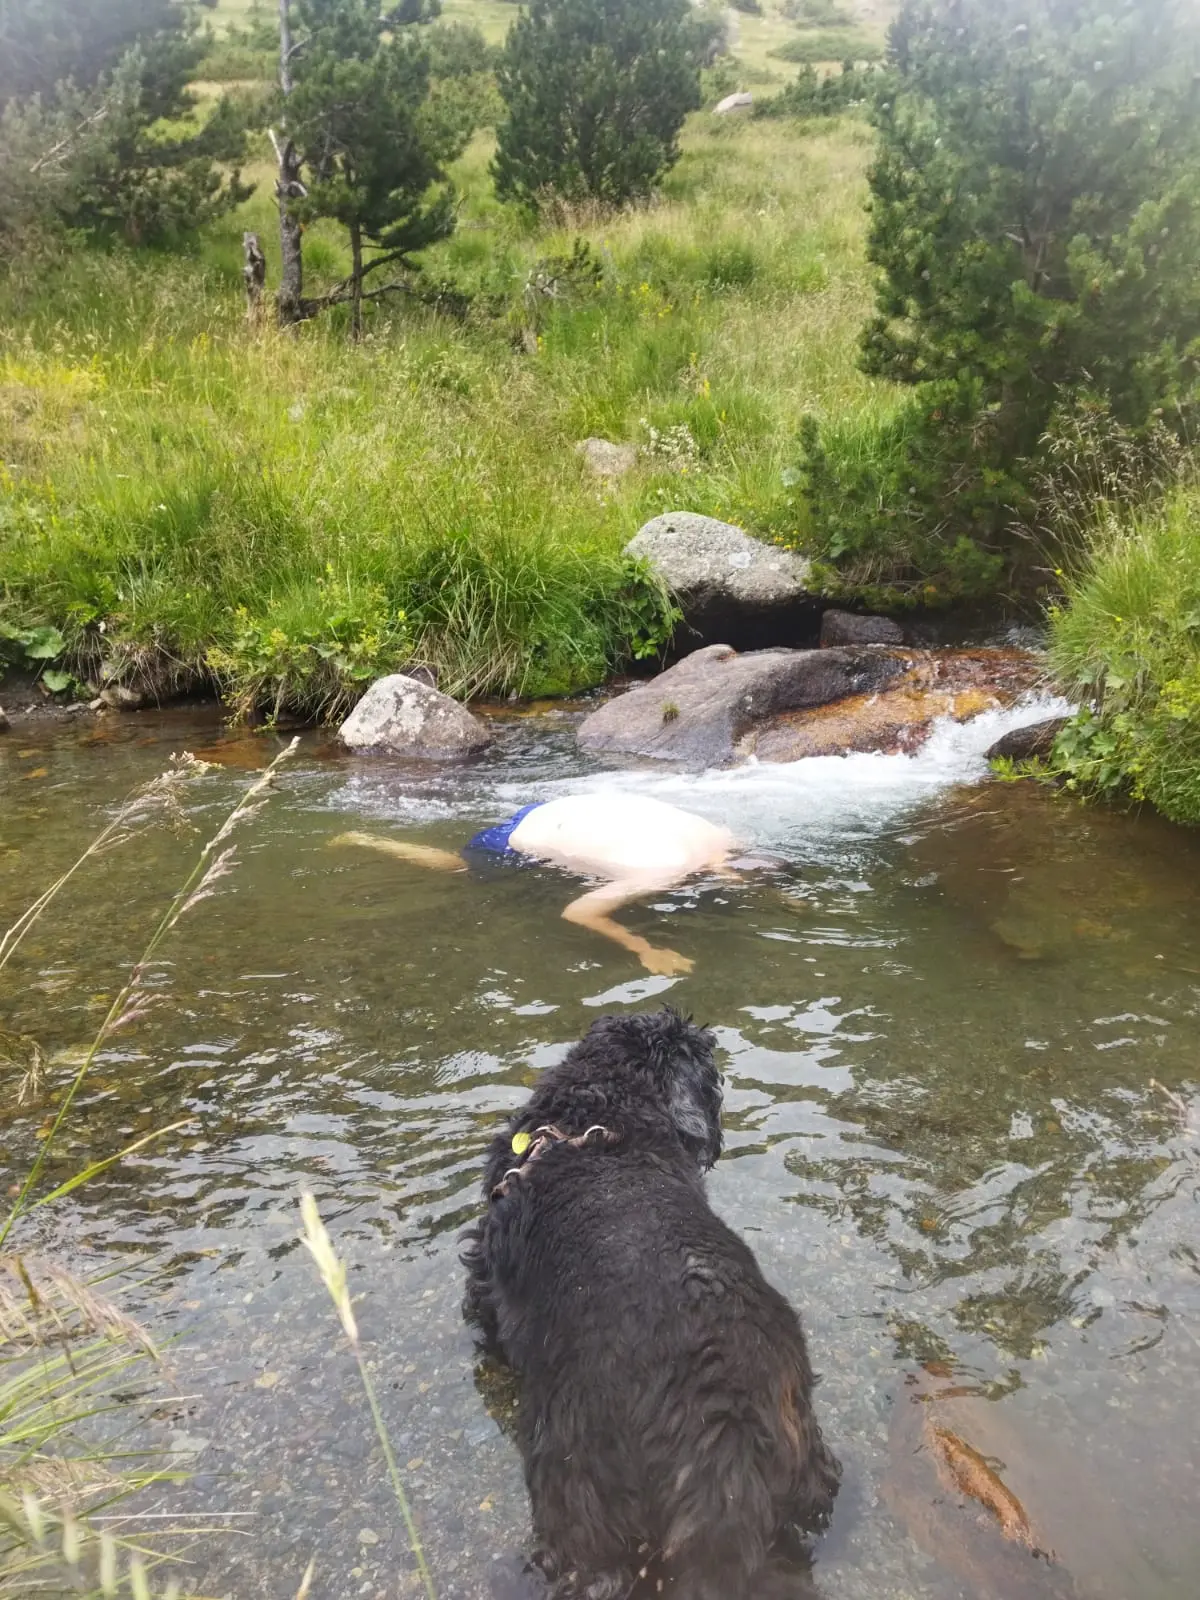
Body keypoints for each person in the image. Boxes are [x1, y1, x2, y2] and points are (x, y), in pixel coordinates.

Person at [331, 792, 737, 975]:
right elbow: (577, 911)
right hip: (517, 839)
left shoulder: (723, 837)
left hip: (552, 809)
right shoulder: (666, 869)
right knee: (458, 868)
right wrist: (646, 949)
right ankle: (364, 839)